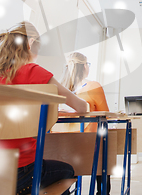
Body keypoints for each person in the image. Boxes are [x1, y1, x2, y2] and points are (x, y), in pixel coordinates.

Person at [0, 21, 88, 195]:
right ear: (30, 44)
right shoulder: (33, 71)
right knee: (68, 171)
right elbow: (81, 107)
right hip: (23, 172)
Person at [61, 51, 110, 195]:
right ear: (83, 67)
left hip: (63, 148)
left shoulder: (59, 90)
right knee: (104, 153)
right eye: (87, 64)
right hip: (89, 147)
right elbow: (105, 114)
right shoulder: (93, 86)